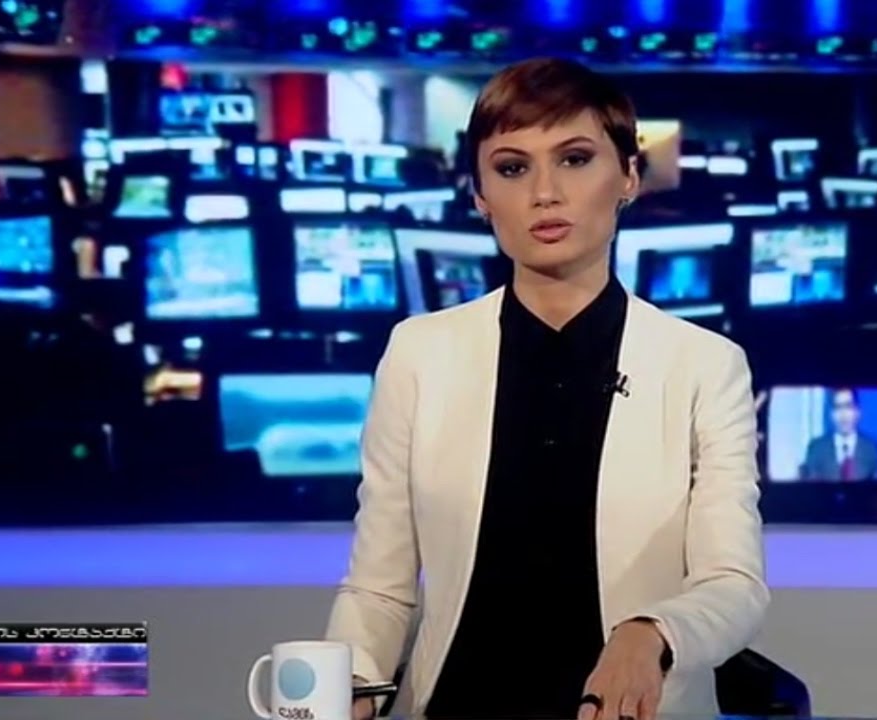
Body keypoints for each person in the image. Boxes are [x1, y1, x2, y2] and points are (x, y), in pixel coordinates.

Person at [325, 57, 768, 720]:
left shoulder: (705, 365)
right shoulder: (419, 354)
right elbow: (379, 590)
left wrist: (653, 632)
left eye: (575, 159)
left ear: (628, 176)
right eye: (512, 168)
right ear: (480, 195)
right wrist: (351, 692)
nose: (544, 193)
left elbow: (733, 586)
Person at [801, 388, 877, 481]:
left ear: (858, 412)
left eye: (848, 406)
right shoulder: (816, 448)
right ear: (831, 414)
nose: (843, 414)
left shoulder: (872, 448)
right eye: (838, 407)